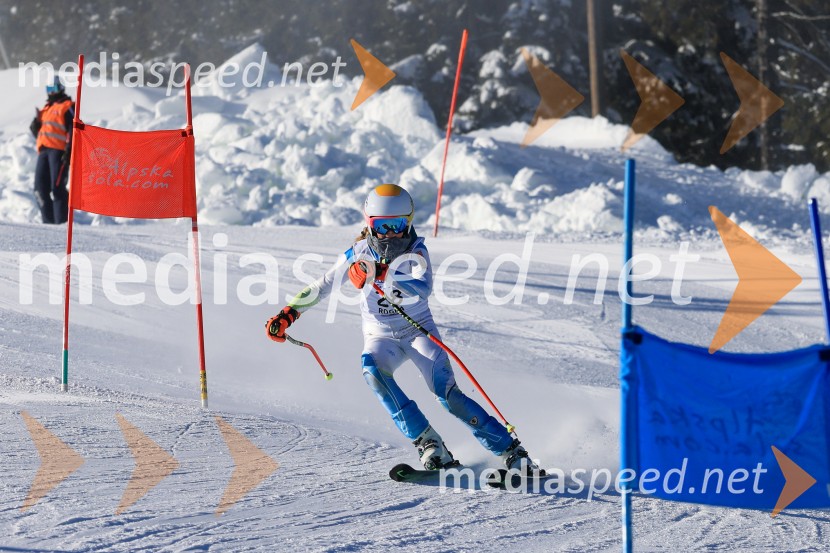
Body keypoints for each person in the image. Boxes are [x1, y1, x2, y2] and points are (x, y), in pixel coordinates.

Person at [266, 183, 541, 473]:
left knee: (448, 397)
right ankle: (429, 443)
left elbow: (422, 289)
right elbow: (323, 285)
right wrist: (290, 313)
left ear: (408, 222)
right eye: (382, 226)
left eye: (398, 225)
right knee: (372, 373)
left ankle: (512, 453)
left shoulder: (415, 251)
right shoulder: (358, 253)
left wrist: (381, 274)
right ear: (369, 224)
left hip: (417, 332)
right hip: (380, 336)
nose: (391, 233)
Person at [29, 76, 74, 224]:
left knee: (57, 188)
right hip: (44, 151)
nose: (52, 92)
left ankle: (61, 224)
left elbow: (73, 130)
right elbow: (40, 132)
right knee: (39, 190)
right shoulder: (46, 109)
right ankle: (49, 225)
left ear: (61, 88)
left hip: (58, 152)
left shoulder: (67, 106)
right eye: (49, 89)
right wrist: (35, 125)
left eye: (55, 88)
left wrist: (69, 150)